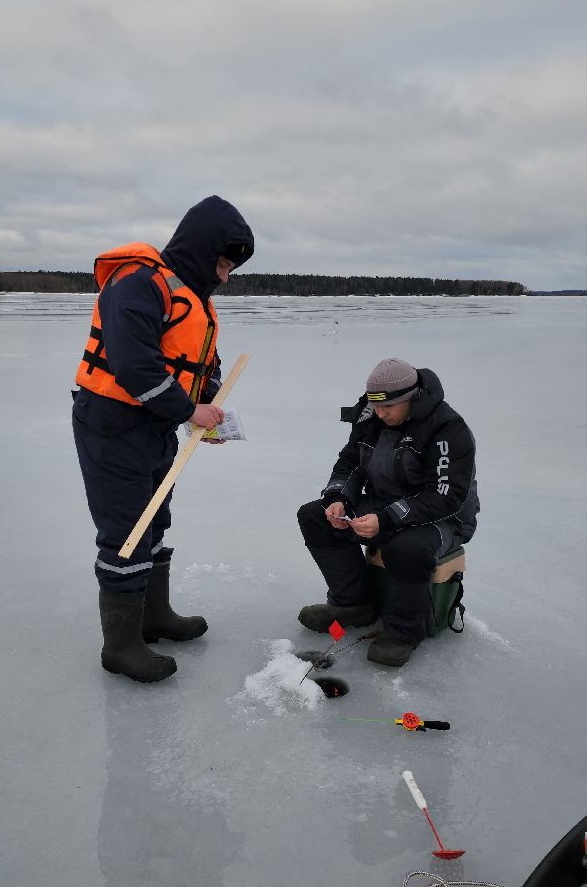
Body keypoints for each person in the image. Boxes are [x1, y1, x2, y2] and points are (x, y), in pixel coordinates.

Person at [72, 195, 254, 683]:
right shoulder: (138, 283)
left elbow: (202, 365)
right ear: (201, 250)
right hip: (111, 423)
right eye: (222, 263)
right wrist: (186, 409)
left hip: (154, 425)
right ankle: (122, 647)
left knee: (153, 520)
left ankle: (153, 617)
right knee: (127, 529)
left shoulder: (194, 301)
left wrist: (205, 412)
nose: (224, 276)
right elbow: (134, 367)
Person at [297, 359, 479, 667]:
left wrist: (386, 518)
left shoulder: (447, 428)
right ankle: (353, 603)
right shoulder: (370, 418)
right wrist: (338, 497)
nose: (381, 414)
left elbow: (445, 496)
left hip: (445, 518)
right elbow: (350, 464)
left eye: (389, 407)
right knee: (314, 516)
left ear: (412, 397)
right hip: (385, 506)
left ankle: (404, 631)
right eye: (376, 406)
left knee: (408, 545)